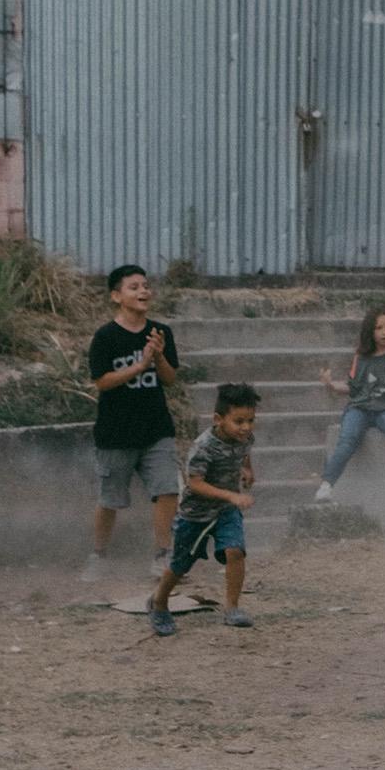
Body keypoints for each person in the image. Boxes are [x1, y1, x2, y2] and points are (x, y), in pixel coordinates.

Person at [86, 264, 181, 577]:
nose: (143, 291)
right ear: (116, 296)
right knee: (110, 500)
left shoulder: (161, 332)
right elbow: (101, 381)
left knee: (168, 489)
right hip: (116, 433)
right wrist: (139, 367)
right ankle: (98, 556)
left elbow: (169, 379)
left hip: (156, 429)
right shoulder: (105, 337)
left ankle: (162, 555)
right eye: (134, 287)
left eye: (145, 285)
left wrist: (158, 357)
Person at [150, 383, 259, 636]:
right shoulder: (203, 447)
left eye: (251, 420)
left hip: (225, 511)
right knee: (180, 565)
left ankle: (231, 608)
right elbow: (195, 484)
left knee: (235, 551)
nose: (246, 427)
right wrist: (232, 494)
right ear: (218, 419)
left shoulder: (245, 437)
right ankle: (159, 602)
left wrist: (247, 470)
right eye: (239, 421)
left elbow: (244, 452)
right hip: (195, 515)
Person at [314, 307, 385, 505]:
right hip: (360, 408)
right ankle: (326, 486)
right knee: (347, 440)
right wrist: (331, 385)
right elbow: (352, 388)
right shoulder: (361, 356)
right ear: (370, 331)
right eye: (379, 328)